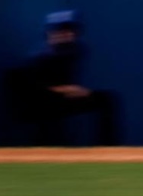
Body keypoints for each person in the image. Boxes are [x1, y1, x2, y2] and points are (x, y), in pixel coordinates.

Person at [11, 10, 121, 146]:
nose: (67, 34)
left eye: (70, 30)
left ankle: (108, 148)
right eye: (61, 30)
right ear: (51, 33)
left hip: (64, 99)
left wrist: (74, 91)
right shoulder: (41, 56)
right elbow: (34, 87)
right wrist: (67, 89)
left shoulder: (76, 50)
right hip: (40, 102)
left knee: (106, 99)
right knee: (45, 109)